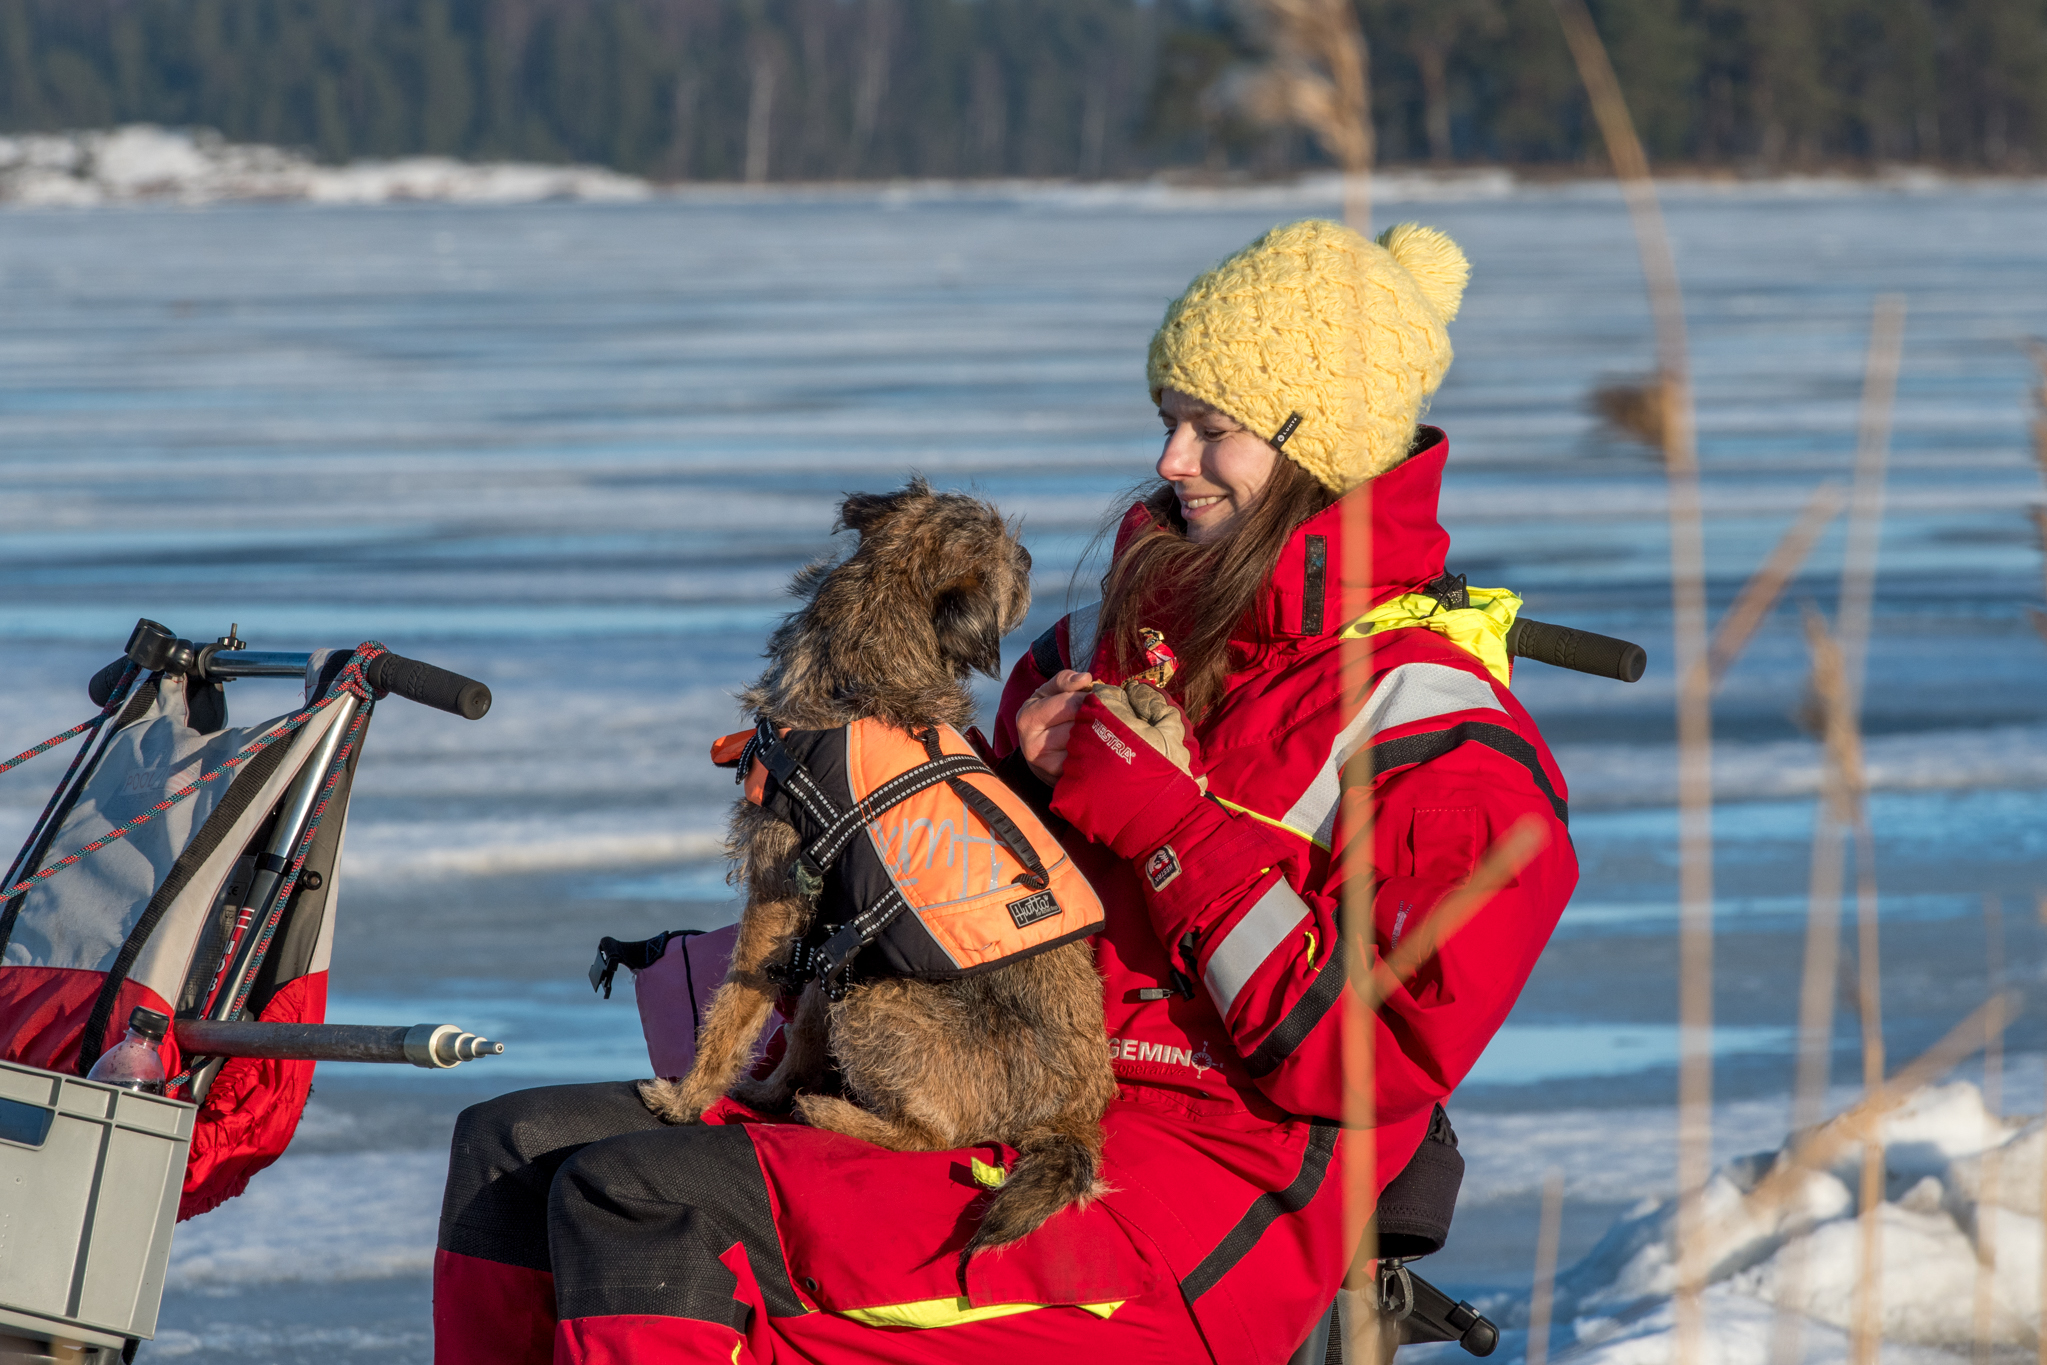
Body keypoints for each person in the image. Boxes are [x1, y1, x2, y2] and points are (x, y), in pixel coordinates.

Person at [432, 219, 1577, 1364]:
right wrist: (1002, 784)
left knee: (645, 1201)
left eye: (1209, 429)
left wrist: (1173, 828)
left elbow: (1368, 1057)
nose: (1171, 461)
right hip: (989, 1092)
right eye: (1167, 421)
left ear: (1320, 447)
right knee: (512, 1148)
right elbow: (980, 910)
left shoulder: (1440, 737)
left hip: (1194, 1214)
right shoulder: (1099, 646)